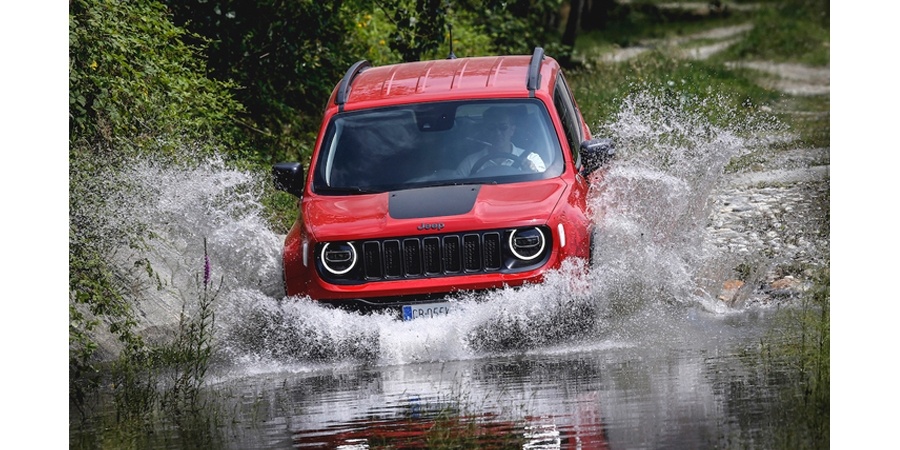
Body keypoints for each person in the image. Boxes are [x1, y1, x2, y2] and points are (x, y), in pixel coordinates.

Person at [456, 107, 546, 176]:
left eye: (503, 127)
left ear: (512, 130)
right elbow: (457, 191)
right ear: (485, 131)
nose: (497, 133)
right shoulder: (470, 163)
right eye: (491, 128)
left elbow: (546, 187)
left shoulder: (532, 159)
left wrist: (533, 173)